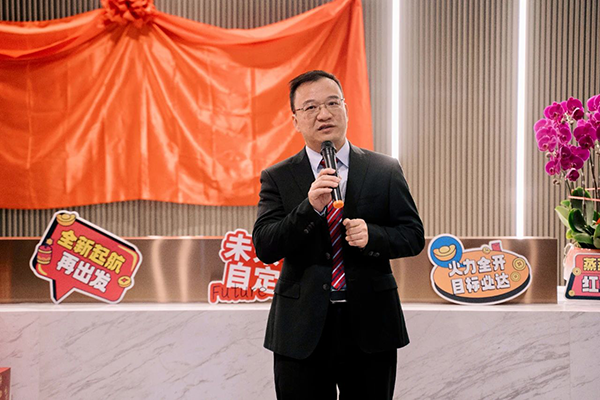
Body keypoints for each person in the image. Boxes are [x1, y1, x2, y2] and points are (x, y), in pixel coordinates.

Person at [252, 70, 425, 400]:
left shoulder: (384, 169)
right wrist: (309, 208)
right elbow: (266, 245)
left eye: (332, 103)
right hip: (300, 329)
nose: (324, 114)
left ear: (346, 109)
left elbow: (413, 235)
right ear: (295, 120)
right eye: (311, 107)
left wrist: (373, 235)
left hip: (371, 325)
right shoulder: (278, 176)